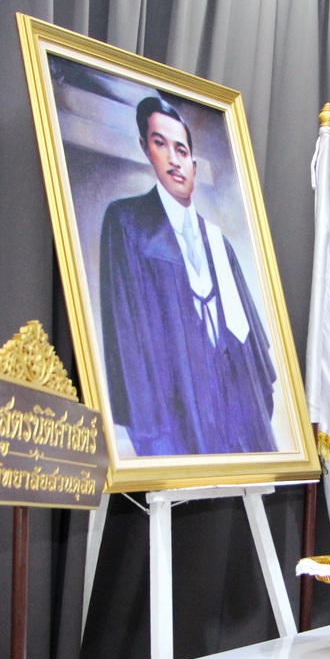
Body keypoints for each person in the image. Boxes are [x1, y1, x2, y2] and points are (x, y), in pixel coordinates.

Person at [100, 96, 277, 456]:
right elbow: (127, 337)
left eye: (181, 150)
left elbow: (253, 354)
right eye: (160, 143)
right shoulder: (127, 224)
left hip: (233, 416)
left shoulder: (219, 243)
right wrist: (152, 437)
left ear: (194, 164)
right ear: (145, 149)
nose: (173, 159)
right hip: (176, 417)